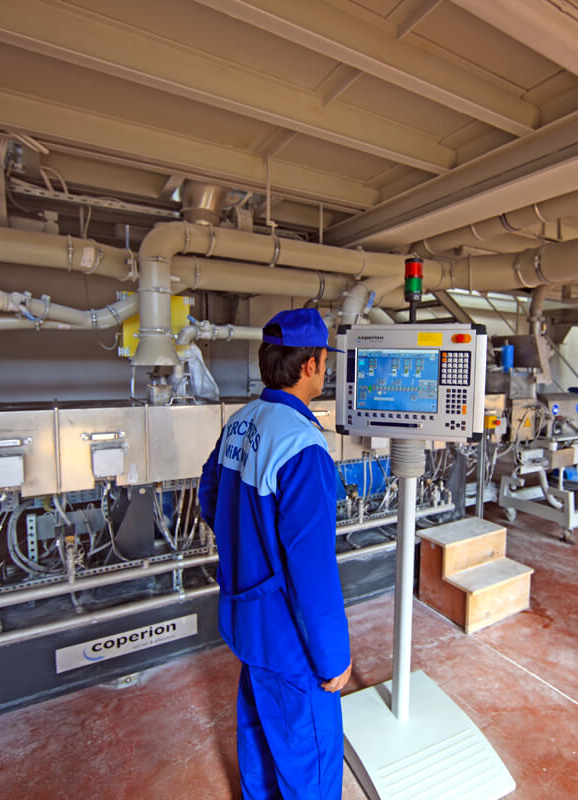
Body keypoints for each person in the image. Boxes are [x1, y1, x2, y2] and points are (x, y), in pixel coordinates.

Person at [199, 307, 352, 800]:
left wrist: (249, 548)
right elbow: (313, 575)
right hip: (291, 643)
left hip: (247, 624)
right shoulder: (304, 447)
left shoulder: (241, 423)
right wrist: (333, 660)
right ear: (311, 365)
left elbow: (210, 500)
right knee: (308, 757)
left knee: (260, 739)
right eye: (324, 361)